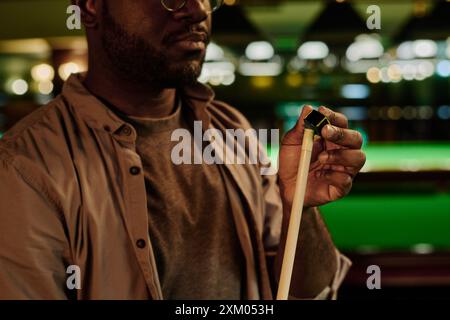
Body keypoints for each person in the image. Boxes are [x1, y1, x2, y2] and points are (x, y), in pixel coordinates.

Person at [0, 0, 366, 300]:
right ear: (92, 6)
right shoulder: (25, 167)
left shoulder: (230, 128)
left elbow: (313, 293)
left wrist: (297, 204)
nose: (197, 10)